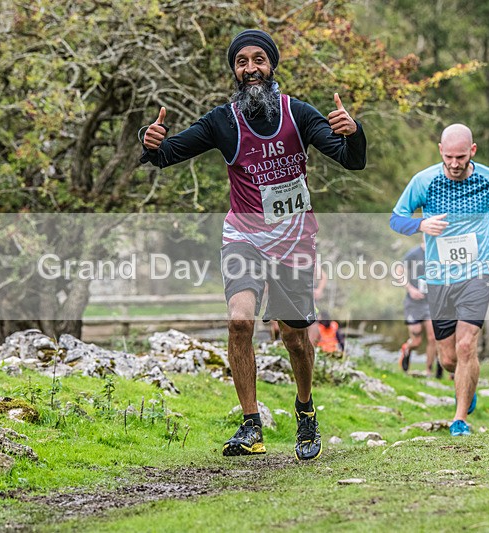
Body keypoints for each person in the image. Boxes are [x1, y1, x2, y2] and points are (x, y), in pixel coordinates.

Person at [141, 29, 366, 460]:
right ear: (234, 70)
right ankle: (250, 425)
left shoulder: (299, 114)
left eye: (258, 60)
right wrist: (148, 140)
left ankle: (305, 411)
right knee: (240, 322)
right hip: (243, 237)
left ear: (272, 66)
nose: (250, 69)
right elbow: (166, 153)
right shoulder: (222, 122)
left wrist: (354, 133)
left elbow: (351, 159)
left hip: (294, 241)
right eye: (241, 62)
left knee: (295, 339)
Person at [389, 124, 489, 437]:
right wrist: (420, 225)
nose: (455, 164)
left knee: (466, 345)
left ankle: (460, 419)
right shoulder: (424, 181)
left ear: (472, 151)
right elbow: (396, 219)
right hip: (439, 278)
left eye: (461, 157)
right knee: (448, 359)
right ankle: (468, 385)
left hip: (477, 274)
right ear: (440, 152)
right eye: (448, 157)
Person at [398, 241, 442, 378]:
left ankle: (428, 370)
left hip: (430, 303)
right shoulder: (413, 253)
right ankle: (407, 348)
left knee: (433, 338)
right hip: (414, 303)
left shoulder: (438, 252)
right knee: (416, 340)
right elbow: (399, 271)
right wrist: (410, 289)